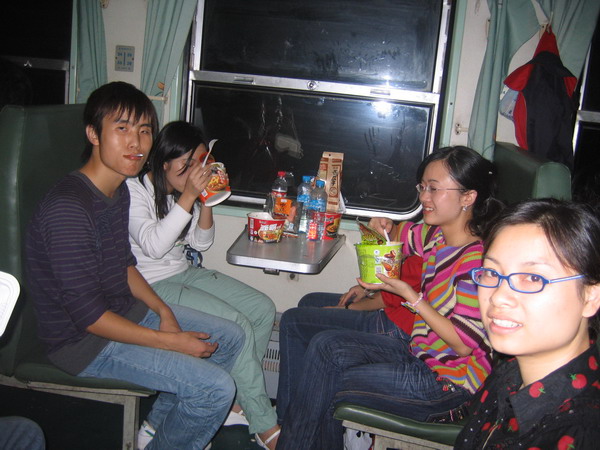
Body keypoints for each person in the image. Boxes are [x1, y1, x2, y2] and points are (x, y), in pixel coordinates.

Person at [24, 82, 244, 450]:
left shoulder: (118, 191)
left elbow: (124, 265)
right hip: (83, 343)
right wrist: (169, 342)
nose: (136, 142)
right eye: (122, 128)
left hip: (124, 311)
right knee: (216, 389)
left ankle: (156, 430)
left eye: (144, 130)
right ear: (93, 134)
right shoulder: (69, 208)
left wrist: (162, 311)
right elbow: (89, 317)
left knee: (229, 337)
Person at [276, 146, 504, 449]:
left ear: (468, 197)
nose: (424, 198)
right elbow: (397, 236)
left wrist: (412, 297)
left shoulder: (477, 263)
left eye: (434, 189)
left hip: (448, 385)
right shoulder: (437, 236)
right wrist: (383, 225)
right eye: (422, 187)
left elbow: (463, 343)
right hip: (419, 355)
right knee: (325, 346)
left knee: (322, 380)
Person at [126, 120, 280, 449]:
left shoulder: (180, 192)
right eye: (186, 165)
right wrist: (190, 195)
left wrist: (207, 199)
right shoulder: (135, 190)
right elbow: (153, 246)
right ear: (163, 162)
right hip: (150, 285)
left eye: (199, 163)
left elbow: (201, 242)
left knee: (261, 309)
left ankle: (235, 402)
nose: (193, 172)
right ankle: (264, 422)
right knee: (237, 325)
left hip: (184, 272)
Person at [456, 199, 600, 448]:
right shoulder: (507, 375)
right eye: (491, 272)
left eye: (533, 278)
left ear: (590, 297)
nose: (498, 296)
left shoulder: (583, 432)